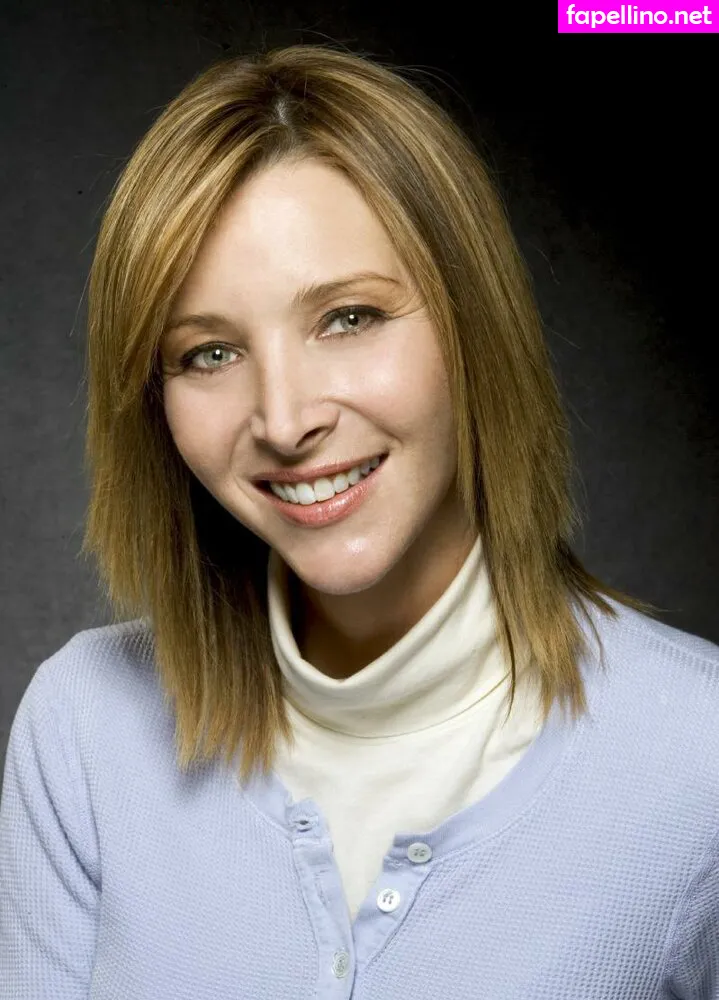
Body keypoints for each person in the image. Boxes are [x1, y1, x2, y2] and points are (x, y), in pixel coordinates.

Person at [1, 43, 717, 1000]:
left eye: (347, 317)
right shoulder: (85, 729)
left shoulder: (697, 757)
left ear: (472, 323)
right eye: (209, 353)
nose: (284, 418)